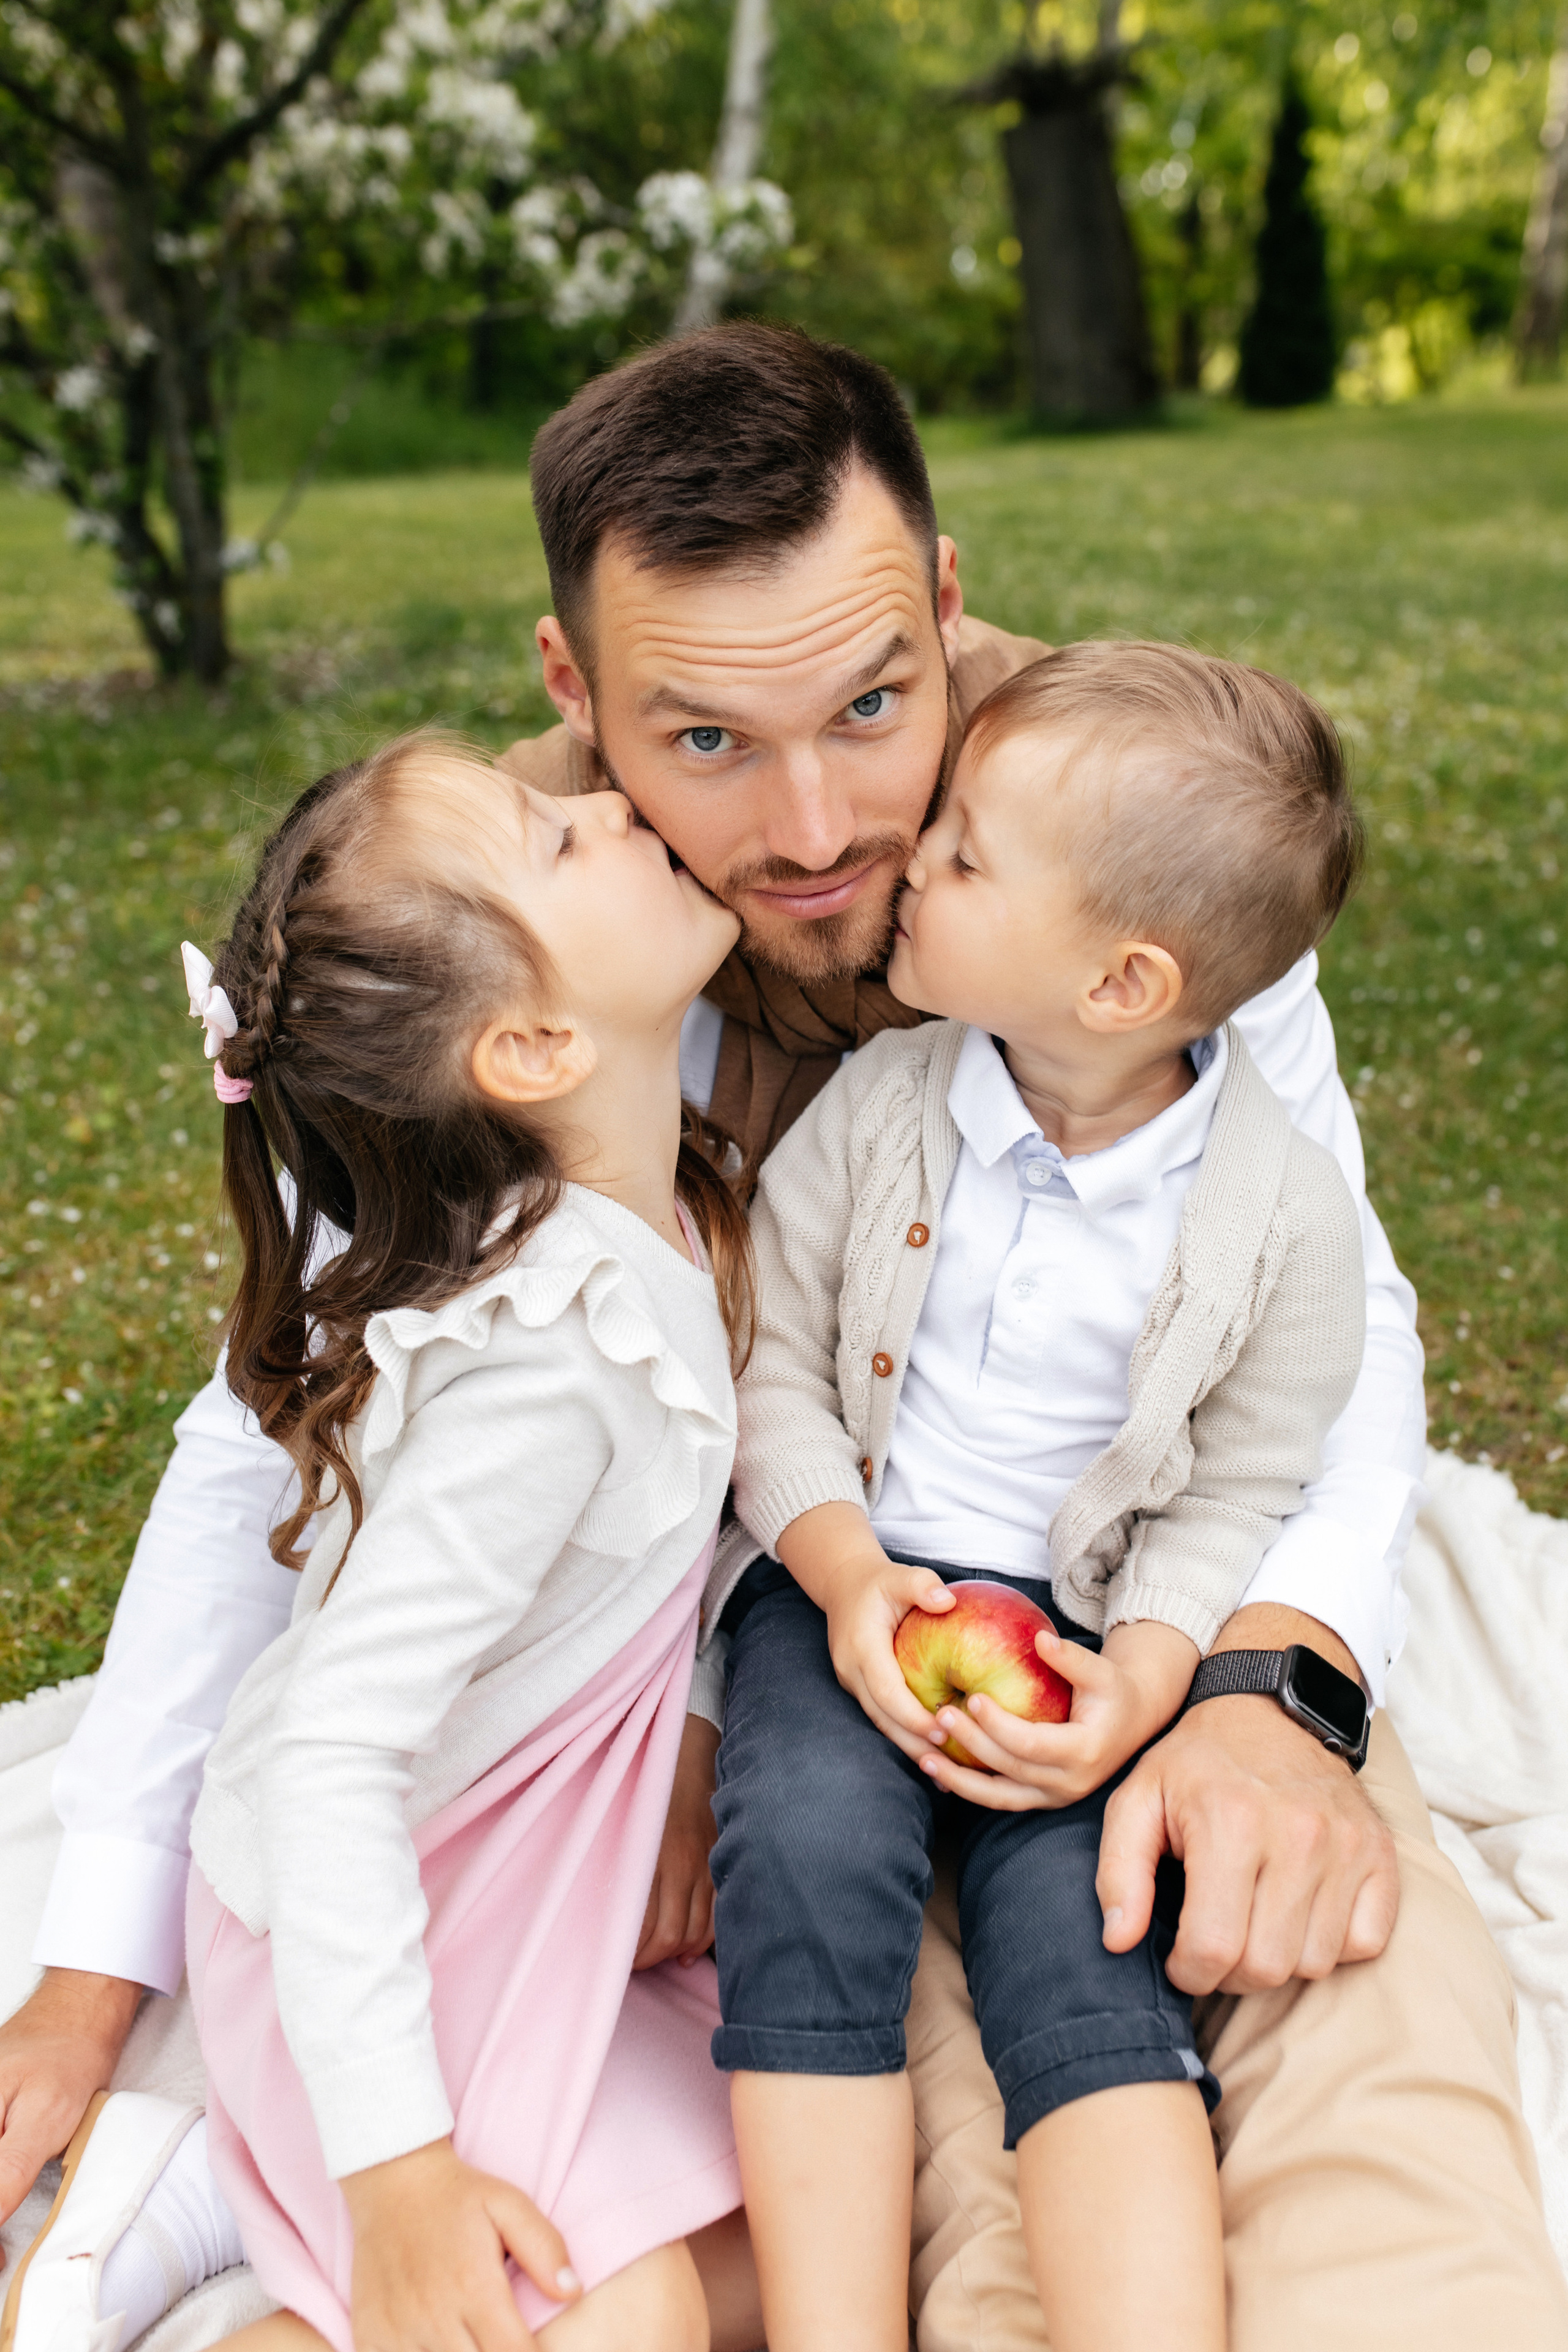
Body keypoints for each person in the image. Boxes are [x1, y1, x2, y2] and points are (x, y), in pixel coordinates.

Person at [2, 323, 1564, 2351]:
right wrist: (94, 1975)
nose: (820, 825)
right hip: (765, 1665)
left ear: (943, 605)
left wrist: (1280, 1687)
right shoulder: (504, 930)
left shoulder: (1130, 819)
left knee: (1341, 2029)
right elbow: (279, 1432)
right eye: (707, 743)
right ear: (576, 695)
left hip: (1141, 1596)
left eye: (872, 704)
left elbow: (1328, 1311)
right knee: (775, 2163)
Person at [4, 736, 764, 2352]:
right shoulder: (550, 1367)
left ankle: (241, 2198)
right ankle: (273, 2198)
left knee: (786, 2230)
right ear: (538, 1044)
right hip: (386, 1924)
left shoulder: (638, 1222)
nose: (619, 801)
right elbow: (338, 1757)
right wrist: (402, 2170)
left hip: (507, 1877)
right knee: (594, 2312)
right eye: (562, 842)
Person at [710, 641, 1368, 2352]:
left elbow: (1242, 1481)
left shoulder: (1283, 1221)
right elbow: (771, 1370)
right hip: (849, 1587)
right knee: (803, 1849)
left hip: (1088, 1631)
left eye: (968, 856)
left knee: (1091, 1944)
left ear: (1125, 982)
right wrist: (846, 1578)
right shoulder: (878, 1110)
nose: (912, 860)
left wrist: (1142, 1687)